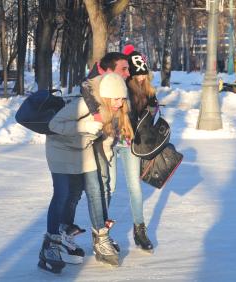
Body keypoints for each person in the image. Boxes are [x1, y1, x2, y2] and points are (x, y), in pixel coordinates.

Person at [42, 73, 133, 269]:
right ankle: (51, 243)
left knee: (95, 190)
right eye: (116, 98)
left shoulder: (115, 110)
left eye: (122, 98)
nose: (119, 102)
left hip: (84, 149)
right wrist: (85, 125)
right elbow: (54, 125)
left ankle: (101, 239)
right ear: (107, 96)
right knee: (63, 194)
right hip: (60, 149)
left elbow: (107, 137)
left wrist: (107, 154)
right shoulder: (84, 104)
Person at [82, 48, 156, 252]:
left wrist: (151, 110)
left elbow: (146, 117)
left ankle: (140, 230)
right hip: (108, 140)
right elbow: (88, 87)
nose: (140, 78)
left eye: (144, 74)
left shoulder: (144, 90)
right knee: (110, 186)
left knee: (135, 186)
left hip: (129, 142)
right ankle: (102, 233)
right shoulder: (115, 82)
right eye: (136, 73)